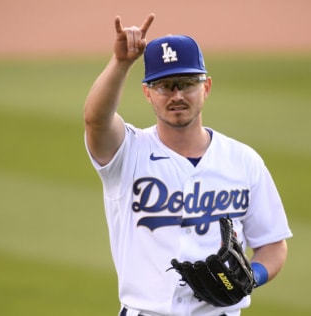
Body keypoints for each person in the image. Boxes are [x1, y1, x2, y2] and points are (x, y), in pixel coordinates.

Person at [84, 13, 292, 316]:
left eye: (187, 83)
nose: (177, 95)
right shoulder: (126, 153)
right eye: (164, 86)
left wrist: (251, 277)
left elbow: (273, 244)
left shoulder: (243, 161)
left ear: (206, 87)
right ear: (147, 93)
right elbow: (96, 121)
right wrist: (121, 63)